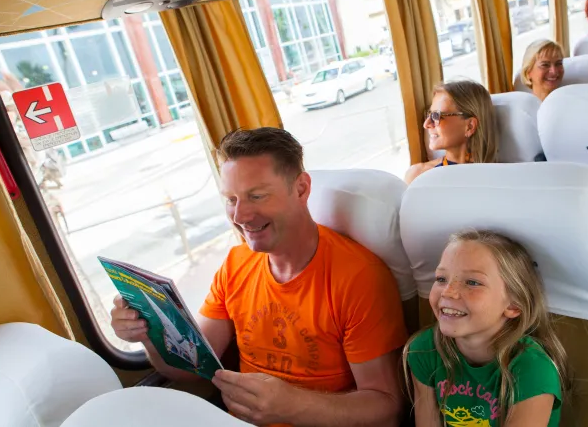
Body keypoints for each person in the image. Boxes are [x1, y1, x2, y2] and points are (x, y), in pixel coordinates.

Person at [111, 128, 408, 427]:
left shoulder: (358, 278)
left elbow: (385, 405)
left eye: (257, 196)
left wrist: (294, 406)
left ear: (302, 189)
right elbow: (190, 370)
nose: (240, 216)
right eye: (231, 199)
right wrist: (148, 335)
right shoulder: (235, 264)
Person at [404, 229, 567, 427]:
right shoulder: (424, 349)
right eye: (441, 279)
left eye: (472, 282)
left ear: (513, 305)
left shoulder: (532, 370)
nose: (448, 292)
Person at [404, 80, 498, 184]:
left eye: (436, 115)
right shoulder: (417, 176)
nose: (426, 124)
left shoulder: (498, 179)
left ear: (470, 126)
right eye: (429, 114)